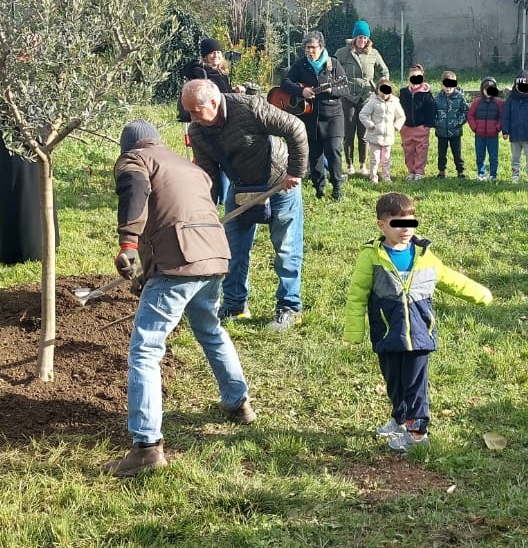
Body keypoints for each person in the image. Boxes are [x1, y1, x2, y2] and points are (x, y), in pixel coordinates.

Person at [107, 119, 254, 477]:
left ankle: (146, 446)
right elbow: (177, 212)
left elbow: (135, 194)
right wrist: (149, 268)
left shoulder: (135, 163)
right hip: (215, 255)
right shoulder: (187, 166)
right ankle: (238, 404)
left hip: (181, 261)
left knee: (145, 349)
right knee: (210, 330)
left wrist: (128, 245)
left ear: (130, 147)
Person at [343, 192, 492, 452]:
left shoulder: (424, 256)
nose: (405, 229)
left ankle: (417, 435)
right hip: (387, 333)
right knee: (394, 381)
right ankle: (400, 419)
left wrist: (479, 293)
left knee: (415, 387)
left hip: (420, 335)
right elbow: (357, 294)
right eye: (397, 224)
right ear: (381, 225)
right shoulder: (371, 256)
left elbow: (450, 279)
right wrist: (355, 330)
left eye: (410, 223)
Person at [181, 79, 310, 331]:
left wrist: (295, 171)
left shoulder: (250, 107)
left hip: (279, 184)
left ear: (214, 102)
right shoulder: (197, 131)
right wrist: (205, 208)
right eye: (188, 112)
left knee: (286, 249)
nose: (191, 117)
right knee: (232, 250)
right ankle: (235, 305)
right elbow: (208, 173)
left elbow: (295, 128)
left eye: (196, 110)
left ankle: (289, 307)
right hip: (241, 189)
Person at [281, 31, 350, 201]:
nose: (310, 51)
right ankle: (319, 189)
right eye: (307, 48)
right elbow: (285, 83)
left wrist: (331, 89)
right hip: (309, 118)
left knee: (334, 152)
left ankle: (337, 188)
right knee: (314, 155)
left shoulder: (333, 64)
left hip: (332, 116)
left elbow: (345, 88)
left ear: (321, 47)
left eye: (313, 47)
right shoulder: (301, 65)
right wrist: (301, 91)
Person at [336, 21, 389, 177]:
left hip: (366, 98)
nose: (362, 40)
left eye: (365, 38)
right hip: (348, 98)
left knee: (363, 134)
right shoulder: (343, 53)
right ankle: (350, 164)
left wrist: (380, 87)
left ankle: (362, 165)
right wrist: (339, 87)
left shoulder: (373, 53)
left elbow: (384, 71)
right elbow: (332, 70)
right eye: (360, 37)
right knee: (348, 133)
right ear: (354, 37)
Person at [175, 38, 242, 123]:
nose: (216, 55)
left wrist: (235, 91)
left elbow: (224, 93)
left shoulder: (221, 72)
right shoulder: (200, 72)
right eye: (212, 53)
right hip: (207, 116)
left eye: (218, 52)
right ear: (205, 56)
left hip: (221, 113)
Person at [358, 79, 405, 184]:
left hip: (388, 136)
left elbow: (401, 116)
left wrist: (396, 126)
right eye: (381, 90)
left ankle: (386, 177)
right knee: (374, 159)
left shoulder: (395, 103)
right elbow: (363, 114)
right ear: (377, 90)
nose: (384, 94)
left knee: (386, 159)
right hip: (374, 136)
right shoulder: (373, 102)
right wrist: (370, 125)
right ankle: (373, 177)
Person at [500, 69, 528, 183]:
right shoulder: (511, 100)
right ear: (515, 86)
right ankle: (515, 176)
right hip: (515, 135)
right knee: (515, 158)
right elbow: (506, 116)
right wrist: (505, 130)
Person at [398, 64, 435, 180]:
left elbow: (431, 110)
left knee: (421, 150)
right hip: (406, 128)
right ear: (408, 78)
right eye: (412, 77)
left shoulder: (426, 94)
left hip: (421, 127)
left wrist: (427, 126)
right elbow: (399, 109)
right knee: (408, 151)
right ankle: (411, 171)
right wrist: (401, 124)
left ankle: (419, 171)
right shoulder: (403, 92)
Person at [432, 71, 468, 179]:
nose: (448, 88)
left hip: (455, 132)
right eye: (445, 85)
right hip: (441, 132)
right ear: (441, 84)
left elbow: (466, 112)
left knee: (457, 153)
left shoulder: (460, 97)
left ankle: (460, 172)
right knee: (441, 153)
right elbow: (432, 113)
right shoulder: (437, 99)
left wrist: (457, 122)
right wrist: (437, 123)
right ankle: (441, 171)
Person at [466, 76, 504, 180]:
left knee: (493, 157)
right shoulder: (476, 102)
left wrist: (497, 128)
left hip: (493, 136)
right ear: (482, 90)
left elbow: (502, 117)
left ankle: (493, 175)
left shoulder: (498, 103)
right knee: (480, 156)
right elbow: (470, 116)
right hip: (479, 135)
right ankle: (481, 173)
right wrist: (475, 127)